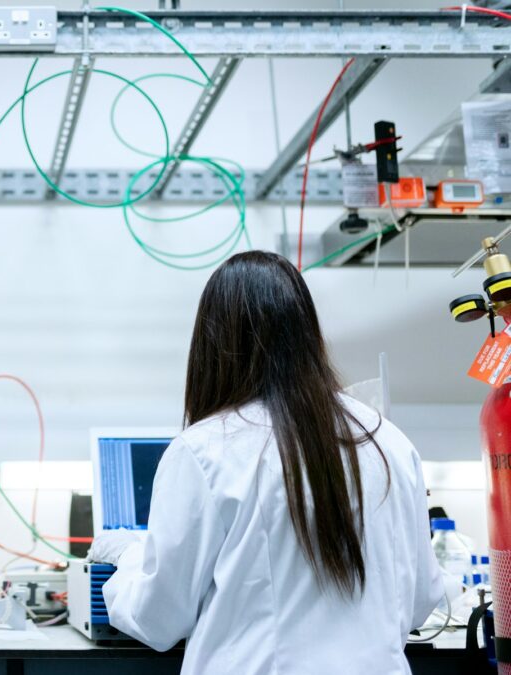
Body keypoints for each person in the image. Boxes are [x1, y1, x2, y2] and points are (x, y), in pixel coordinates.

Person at [90, 251, 443, 675]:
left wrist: (128, 557)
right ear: (308, 332)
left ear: (213, 345)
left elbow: (158, 618)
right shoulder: (387, 441)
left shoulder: (206, 450)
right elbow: (421, 600)